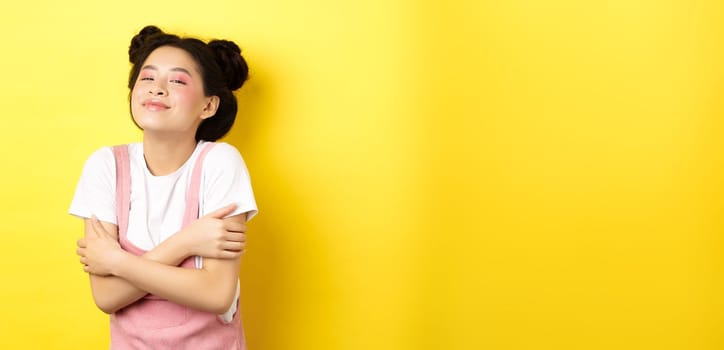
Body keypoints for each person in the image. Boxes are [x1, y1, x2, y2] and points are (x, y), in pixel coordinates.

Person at [69, 25, 257, 350]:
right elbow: (107, 296)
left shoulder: (220, 163)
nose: (157, 89)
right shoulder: (105, 166)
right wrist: (186, 242)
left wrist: (116, 262)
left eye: (178, 81)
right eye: (147, 77)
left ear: (208, 106)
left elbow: (215, 293)